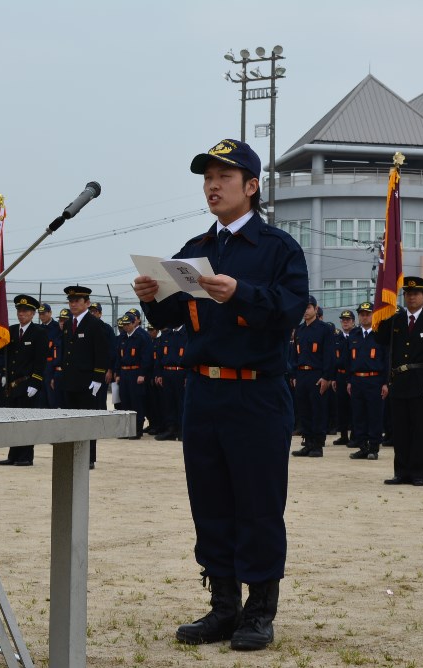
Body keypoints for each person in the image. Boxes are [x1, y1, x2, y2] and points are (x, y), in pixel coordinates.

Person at [132, 138, 307, 651]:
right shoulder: (192, 252)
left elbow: (291, 309)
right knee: (210, 501)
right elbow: (168, 319)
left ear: (251, 187)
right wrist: (150, 299)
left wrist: (242, 293)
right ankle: (222, 606)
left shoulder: (277, 249)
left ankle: (259, 610)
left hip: (257, 394)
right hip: (202, 391)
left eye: (224, 177)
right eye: (207, 177)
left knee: (257, 501)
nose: (212, 185)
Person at [374, 277, 423, 486]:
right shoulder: (396, 319)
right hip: (399, 381)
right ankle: (401, 471)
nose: (411, 297)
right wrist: (385, 312)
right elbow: (380, 339)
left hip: (420, 382)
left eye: (416, 294)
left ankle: (418, 473)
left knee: (419, 430)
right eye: (408, 294)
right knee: (400, 430)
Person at [58, 285, 111, 469]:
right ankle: (74, 455)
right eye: (71, 301)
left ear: (87, 303)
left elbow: (102, 352)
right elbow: (66, 352)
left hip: (88, 383)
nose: (73, 304)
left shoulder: (94, 324)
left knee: (87, 421)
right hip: (70, 381)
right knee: (71, 421)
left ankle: (89, 457)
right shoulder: (67, 325)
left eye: (77, 301)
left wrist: (97, 378)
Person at [0, 294, 48, 466]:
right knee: (13, 420)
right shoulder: (11, 330)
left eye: (25, 311)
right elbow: (6, 356)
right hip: (12, 384)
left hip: (27, 383)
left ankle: (26, 456)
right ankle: (13, 454)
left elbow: (41, 361)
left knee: (26, 421)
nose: (21, 314)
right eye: (19, 310)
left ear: (33, 313)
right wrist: (4, 374)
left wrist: (36, 382)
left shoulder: (39, 333)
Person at [291, 295, 334, 458]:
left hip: (317, 374)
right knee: (304, 410)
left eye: (308, 307)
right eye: (303, 307)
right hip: (302, 374)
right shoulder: (299, 330)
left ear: (315, 309)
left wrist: (327, 377)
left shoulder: (324, 329)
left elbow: (329, 355)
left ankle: (317, 444)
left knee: (318, 410)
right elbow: (295, 354)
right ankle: (307, 442)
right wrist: (294, 374)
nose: (305, 311)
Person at [346, 301, 387, 460]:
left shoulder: (380, 334)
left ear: (373, 315)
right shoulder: (354, 334)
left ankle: (374, 448)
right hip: (357, 380)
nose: (364, 317)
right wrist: (349, 380)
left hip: (375, 380)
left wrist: (385, 383)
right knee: (358, 415)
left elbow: (386, 360)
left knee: (374, 415)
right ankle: (362, 447)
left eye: (367, 314)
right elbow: (348, 360)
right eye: (362, 314)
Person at [114, 311, 152, 439]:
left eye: (127, 324)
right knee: (125, 401)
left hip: (136, 373)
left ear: (134, 323)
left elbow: (146, 357)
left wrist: (142, 374)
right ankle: (127, 430)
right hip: (124, 373)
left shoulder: (142, 336)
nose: (125, 326)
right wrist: (118, 373)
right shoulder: (123, 337)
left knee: (137, 402)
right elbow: (119, 357)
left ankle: (137, 430)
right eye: (123, 324)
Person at [332, 309, 355, 446]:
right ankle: (343, 435)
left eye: (348, 320)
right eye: (343, 320)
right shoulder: (337, 337)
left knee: (354, 407)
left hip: (352, 375)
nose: (345, 322)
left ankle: (355, 435)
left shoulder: (357, 335)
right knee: (341, 407)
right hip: (339, 375)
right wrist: (334, 377)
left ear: (353, 321)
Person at [37, 303, 63, 408]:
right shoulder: (38, 329)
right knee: (40, 399)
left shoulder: (57, 328)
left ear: (50, 313)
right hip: (40, 365)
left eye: (44, 313)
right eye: (40, 314)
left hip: (51, 365)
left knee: (52, 398)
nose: (42, 316)